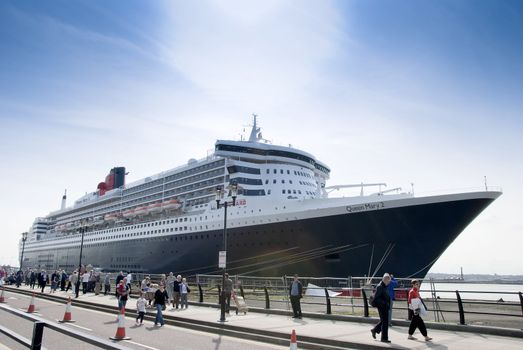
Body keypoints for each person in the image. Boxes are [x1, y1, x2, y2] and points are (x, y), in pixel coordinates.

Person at [371, 273, 392, 343]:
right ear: (385, 279)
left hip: (384, 307)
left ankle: (374, 330)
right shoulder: (380, 286)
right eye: (389, 281)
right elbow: (376, 298)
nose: (389, 283)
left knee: (384, 321)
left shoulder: (384, 286)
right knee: (385, 323)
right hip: (382, 307)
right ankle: (384, 338)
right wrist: (384, 303)